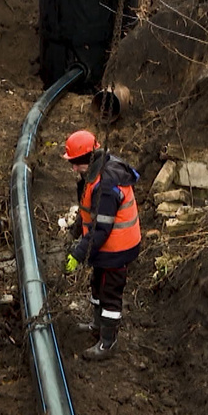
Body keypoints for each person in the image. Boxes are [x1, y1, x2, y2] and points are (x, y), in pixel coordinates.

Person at [63, 129, 141, 360]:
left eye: (76, 163)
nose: (73, 169)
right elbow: (87, 212)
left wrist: (78, 253)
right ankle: (97, 325)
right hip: (104, 247)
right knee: (97, 284)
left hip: (117, 249)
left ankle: (108, 343)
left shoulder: (106, 186)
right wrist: (76, 232)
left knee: (110, 294)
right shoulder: (93, 173)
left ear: (88, 158)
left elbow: (101, 229)